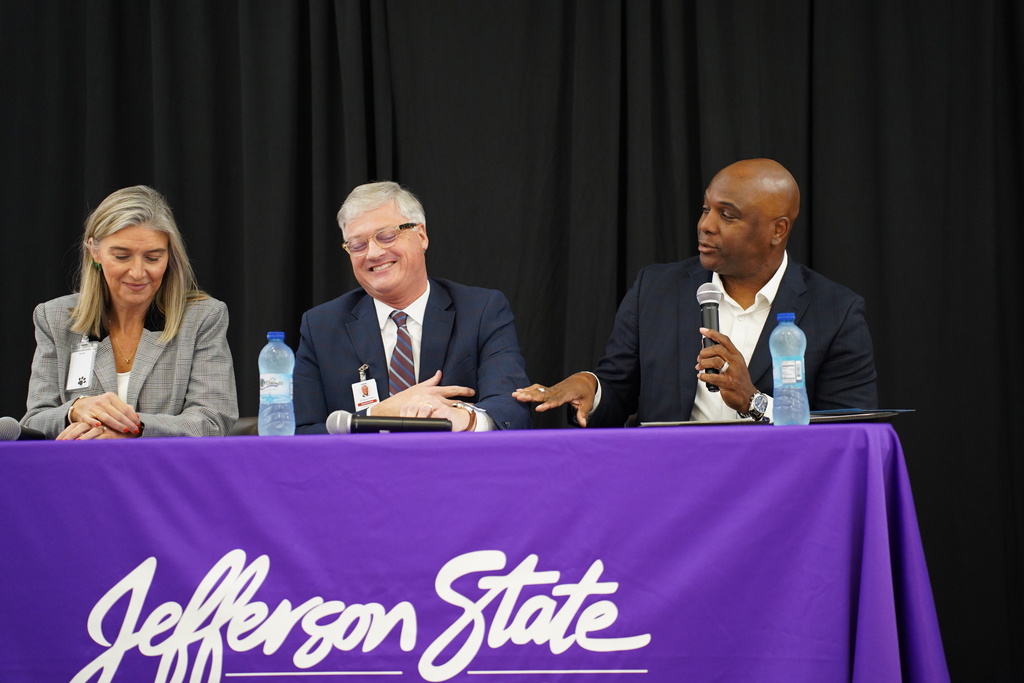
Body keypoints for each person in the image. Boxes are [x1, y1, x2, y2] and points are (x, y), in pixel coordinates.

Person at [513, 158, 877, 426]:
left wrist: (754, 402)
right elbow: (618, 390)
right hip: (671, 486)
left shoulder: (836, 311)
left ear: (777, 230)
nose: (705, 225)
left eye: (727, 215)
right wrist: (591, 387)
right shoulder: (655, 289)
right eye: (706, 209)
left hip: (777, 494)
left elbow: (850, 431)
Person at [294, 181, 531, 432]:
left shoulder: (481, 310)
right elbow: (299, 432)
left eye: (386, 236)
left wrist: (465, 419)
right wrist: (378, 413)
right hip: (362, 469)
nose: (373, 253)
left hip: (454, 466)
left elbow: (512, 410)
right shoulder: (321, 326)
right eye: (358, 245)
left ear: (421, 235)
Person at [22, 185, 238, 439]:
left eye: (153, 258)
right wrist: (74, 409)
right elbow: (34, 421)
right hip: (81, 474)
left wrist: (133, 431)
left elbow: (213, 420)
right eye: (122, 256)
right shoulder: (55, 318)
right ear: (95, 251)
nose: (137, 272)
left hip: (163, 476)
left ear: (170, 256)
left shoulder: (202, 318)